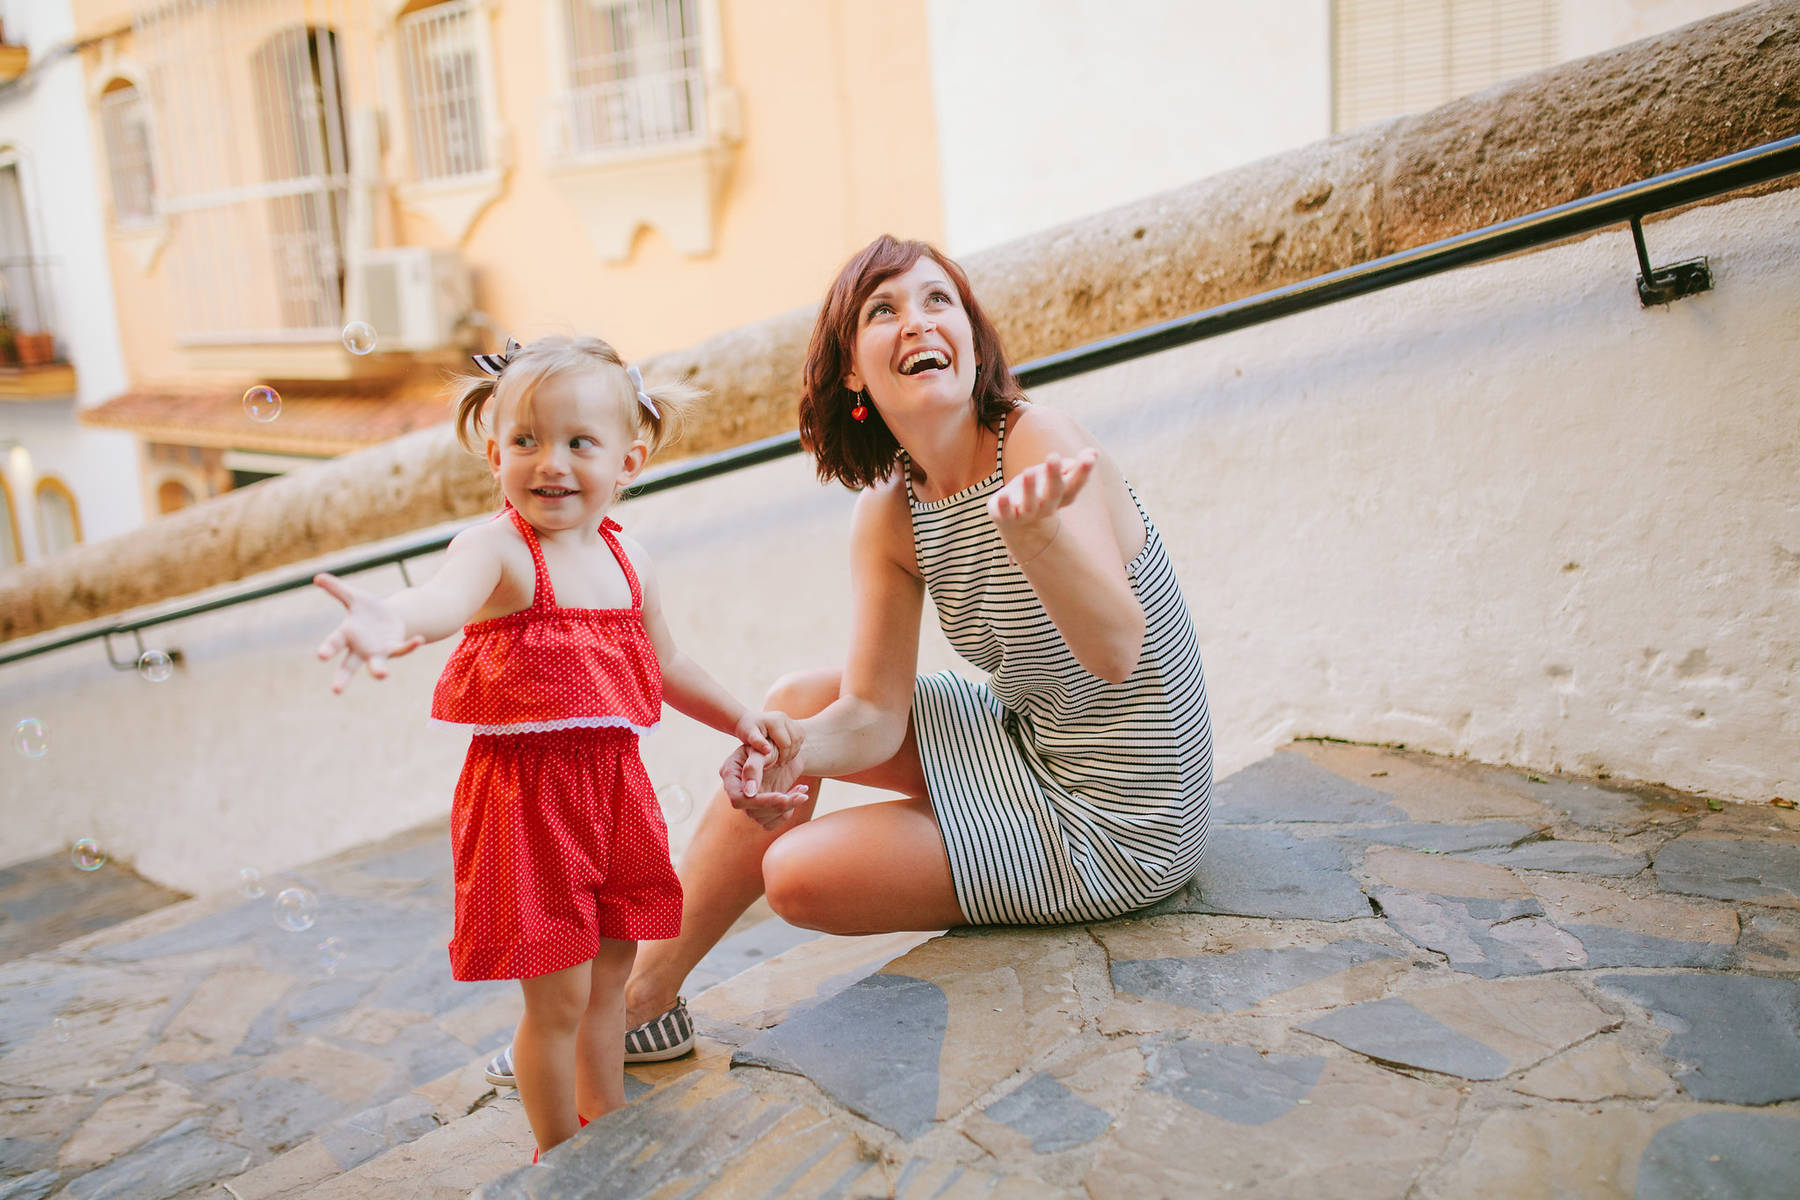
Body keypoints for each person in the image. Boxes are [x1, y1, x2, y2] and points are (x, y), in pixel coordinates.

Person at [486, 233, 1213, 1082]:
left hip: (1126, 815)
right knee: (796, 702)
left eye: (939, 301)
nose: (918, 321)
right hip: (1034, 739)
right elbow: (870, 714)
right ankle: (644, 1000)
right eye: (884, 310)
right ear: (855, 373)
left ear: (972, 341)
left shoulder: (1037, 442)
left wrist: (1041, 538)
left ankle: (637, 996)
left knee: (796, 873)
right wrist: (788, 750)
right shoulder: (895, 512)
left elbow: (1119, 652)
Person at [313, 335, 804, 1158]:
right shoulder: (498, 552)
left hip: (613, 793)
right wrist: (390, 621)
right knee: (557, 999)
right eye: (526, 441)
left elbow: (667, 661)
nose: (552, 463)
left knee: (612, 974)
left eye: (580, 442)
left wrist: (738, 718)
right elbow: (439, 600)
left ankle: (604, 1118)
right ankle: (558, 1151)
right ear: (494, 451)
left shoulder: (628, 556)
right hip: (525, 808)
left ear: (629, 460)